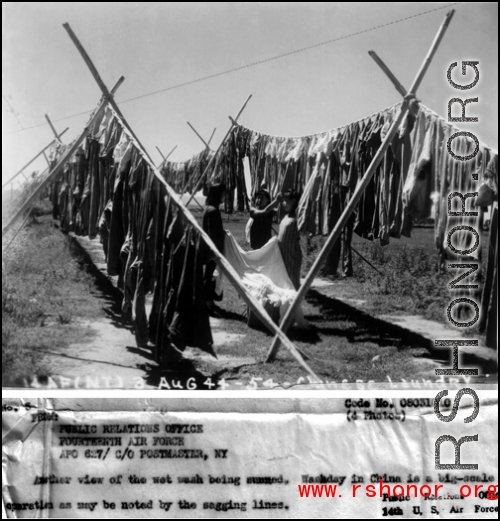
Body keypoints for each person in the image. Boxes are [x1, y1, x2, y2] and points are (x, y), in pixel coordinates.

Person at [202, 183, 226, 316]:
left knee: (210, 276)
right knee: (210, 276)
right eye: (222, 193)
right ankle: (206, 303)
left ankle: (209, 302)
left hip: (209, 249)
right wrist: (214, 252)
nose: (224, 196)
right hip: (212, 250)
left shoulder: (209, 208)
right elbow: (212, 233)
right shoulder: (213, 211)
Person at [278, 189, 302, 290]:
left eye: (287, 201)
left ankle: (295, 301)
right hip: (283, 254)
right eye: (284, 200)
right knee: (285, 279)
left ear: (294, 201)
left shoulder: (297, 218)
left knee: (292, 279)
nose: (284, 203)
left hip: (292, 254)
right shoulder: (286, 216)